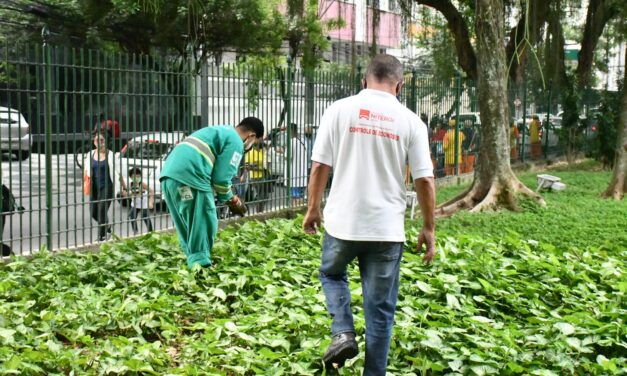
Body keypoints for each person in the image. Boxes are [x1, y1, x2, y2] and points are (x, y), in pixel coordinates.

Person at [303, 54, 436, 375]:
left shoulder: (338, 110)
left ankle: (344, 332)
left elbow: (321, 165)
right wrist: (429, 228)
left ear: (364, 81)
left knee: (331, 274)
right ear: (400, 85)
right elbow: (425, 179)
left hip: (342, 225)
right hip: (387, 232)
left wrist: (312, 209)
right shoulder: (411, 121)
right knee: (380, 314)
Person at [159, 117, 263, 269]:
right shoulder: (235, 141)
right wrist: (231, 200)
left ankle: (193, 261)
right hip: (192, 178)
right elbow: (221, 179)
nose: (251, 147)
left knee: (188, 222)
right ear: (252, 136)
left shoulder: (220, 131)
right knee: (204, 219)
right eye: (255, 143)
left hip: (170, 178)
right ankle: (201, 266)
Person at [83, 131, 126, 241]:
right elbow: (86, 170)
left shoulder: (110, 155)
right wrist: (84, 183)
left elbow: (118, 172)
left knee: (102, 211)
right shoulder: (90, 154)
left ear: (106, 142)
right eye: (97, 140)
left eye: (102, 140)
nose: (99, 142)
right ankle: (107, 226)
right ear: (94, 142)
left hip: (107, 187)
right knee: (93, 213)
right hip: (94, 187)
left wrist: (124, 187)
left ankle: (101, 237)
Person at [124, 167, 154, 234]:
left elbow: (151, 191)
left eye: (138, 176)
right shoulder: (130, 184)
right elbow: (126, 194)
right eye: (135, 177)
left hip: (144, 204)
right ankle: (135, 232)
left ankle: (151, 232)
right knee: (132, 216)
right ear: (131, 177)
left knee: (145, 216)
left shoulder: (142, 184)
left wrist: (151, 202)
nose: (137, 178)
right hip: (135, 204)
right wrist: (129, 193)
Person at [287, 123, 308, 206]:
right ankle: (300, 214)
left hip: (294, 175)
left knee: (295, 197)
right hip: (303, 175)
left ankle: (295, 213)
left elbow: (287, 157)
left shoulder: (291, 142)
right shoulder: (303, 140)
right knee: (301, 195)